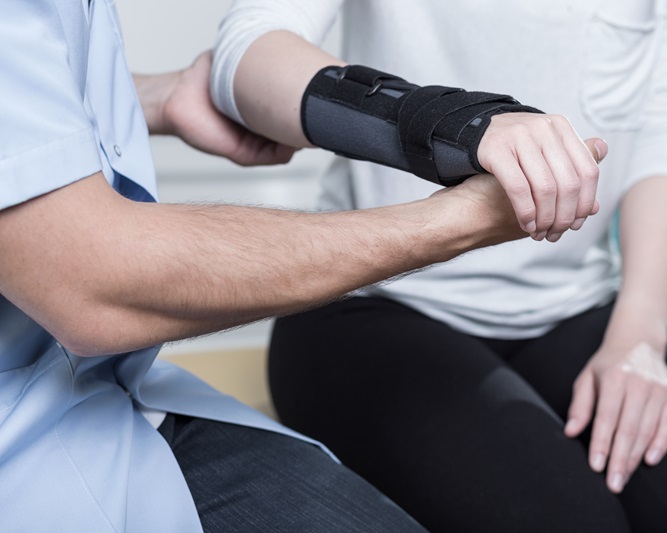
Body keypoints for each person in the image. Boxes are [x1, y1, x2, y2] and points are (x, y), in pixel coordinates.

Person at [0, 1, 604, 531]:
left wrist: (157, 97)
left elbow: (27, 103)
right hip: (29, 444)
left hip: (107, 394)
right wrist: (457, 215)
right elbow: (94, 283)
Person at [211, 1, 667, 532]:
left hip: (576, 303)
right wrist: (456, 124)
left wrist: (639, 333)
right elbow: (246, 55)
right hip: (370, 306)